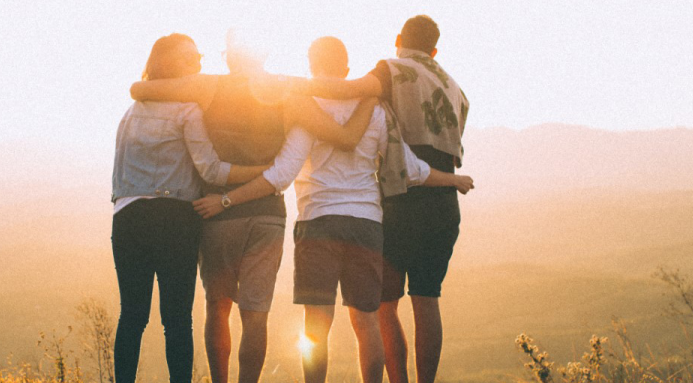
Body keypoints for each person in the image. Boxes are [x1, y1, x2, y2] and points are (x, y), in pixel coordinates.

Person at [192, 36, 473, 383]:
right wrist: (451, 179)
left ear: (312, 66)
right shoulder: (376, 110)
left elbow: (281, 174)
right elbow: (409, 168)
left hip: (318, 223)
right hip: (367, 224)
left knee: (316, 323)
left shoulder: (308, 108)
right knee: (367, 320)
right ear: (347, 67)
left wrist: (228, 199)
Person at [129, 30, 376, 383]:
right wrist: (373, 89)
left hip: (216, 214)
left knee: (218, 307)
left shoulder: (208, 86)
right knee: (255, 314)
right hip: (267, 216)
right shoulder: (287, 91)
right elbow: (345, 134)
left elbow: (141, 90)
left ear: (230, 56)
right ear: (263, 54)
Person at [293, 16, 471, 383]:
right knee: (427, 299)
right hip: (442, 201)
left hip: (401, 199)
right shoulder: (455, 88)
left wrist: (287, 87)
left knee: (384, 307)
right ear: (434, 49)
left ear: (397, 40)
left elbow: (350, 90)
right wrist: (453, 180)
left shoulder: (391, 69)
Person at [111, 33, 270, 383]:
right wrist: (262, 172)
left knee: (132, 316)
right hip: (174, 219)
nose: (198, 62)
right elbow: (211, 170)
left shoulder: (130, 112)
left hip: (127, 217)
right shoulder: (187, 110)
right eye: (189, 58)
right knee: (177, 319)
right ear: (168, 63)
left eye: (198, 55)